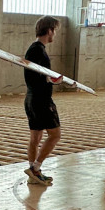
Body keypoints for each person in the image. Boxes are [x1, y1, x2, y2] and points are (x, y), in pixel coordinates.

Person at [22, 16, 62, 186]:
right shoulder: (38, 50)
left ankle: (34, 173)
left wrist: (52, 79)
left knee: (35, 138)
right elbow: (39, 78)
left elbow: (38, 75)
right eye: (55, 30)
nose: (55, 34)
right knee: (55, 135)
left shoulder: (35, 49)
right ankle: (35, 168)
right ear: (49, 30)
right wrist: (53, 80)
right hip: (41, 99)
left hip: (31, 98)